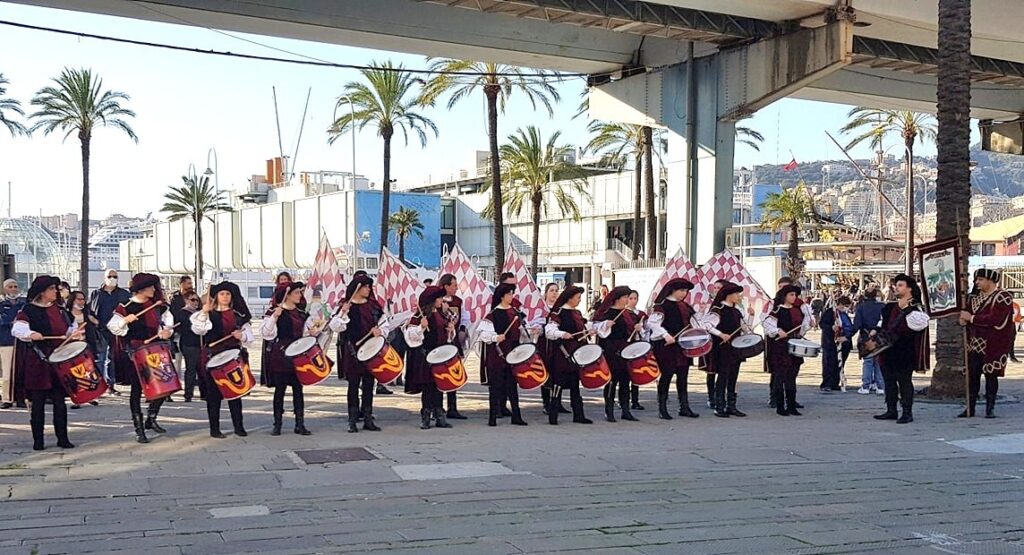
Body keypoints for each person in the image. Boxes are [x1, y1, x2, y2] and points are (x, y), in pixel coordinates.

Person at [13, 276, 83, 450]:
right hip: (38, 361)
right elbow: (17, 328)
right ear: (42, 292)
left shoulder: (60, 311)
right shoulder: (28, 310)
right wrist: (30, 334)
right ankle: (39, 440)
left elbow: (70, 327)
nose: (56, 292)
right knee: (38, 402)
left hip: (58, 361)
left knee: (60, 401)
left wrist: (73, 334)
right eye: (52, 288)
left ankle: (63, 438)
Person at [107, 273, 175, 443]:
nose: (154, 289)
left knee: (164, 386)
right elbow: (112, 326)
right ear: (141, 289)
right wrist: (124, 322)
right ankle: (139, 428)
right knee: (137, 390)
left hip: (156, 349)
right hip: (136, 352)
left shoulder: (158, 306)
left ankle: (151, 419)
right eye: (151, 286)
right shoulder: (125, 307)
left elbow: (167, 324)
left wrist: (167, 332)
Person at [192, 281, 253, 437]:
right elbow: (198, 330)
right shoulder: (208, 314)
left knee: (236, 392)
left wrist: (242, 335)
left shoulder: (239, 316)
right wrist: (204, 313)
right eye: (222, 294)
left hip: (233, 357)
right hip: (212, 357)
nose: (225, 297)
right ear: (216, 297)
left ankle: (239, 426)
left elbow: (249, 338)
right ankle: (214, 429)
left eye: (227, 294)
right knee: (214, 395)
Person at [330, 275, 389, 433]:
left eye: (370, 286)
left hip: (371, 351)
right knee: (353, 385)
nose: (369, 289)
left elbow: (385, 324)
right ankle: (352, 420)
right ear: (358, 287)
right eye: (366, 286)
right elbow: (335, 326)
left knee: (369, 384)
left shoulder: (373, 306)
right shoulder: (346, 305)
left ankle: (368, 418)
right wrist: (343, 313)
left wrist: (380, 331)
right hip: (353, 350)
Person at [869, 274, 929, 424]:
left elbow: (920, 324)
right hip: (888, 350)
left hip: (905, 350)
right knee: (888, 381)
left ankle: (907, 412)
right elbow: (882, 323)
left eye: (900, 285)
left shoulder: (916, 307)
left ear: (909, 288)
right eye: (896, 285)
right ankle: (891, 410)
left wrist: (908, 311)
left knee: (904, 381)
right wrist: (875, 331)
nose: (897, 287)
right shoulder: (890, 307)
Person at [261, 281, 317, 436]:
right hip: (281, 355)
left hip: (299, 355)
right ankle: (277, 424)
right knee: (280, 390)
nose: (300, 295)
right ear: (288, 295)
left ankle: (300, 424)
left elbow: (306, 333)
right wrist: (274, 317)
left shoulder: (301, 314)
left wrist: (311, 332)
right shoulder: (274, 312)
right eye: (297, 292)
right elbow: (266, 334)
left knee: (298, 390)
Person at [959, 269, 1014, 418]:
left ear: (990, 281)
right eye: (976, 280)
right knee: (972, 377)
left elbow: (995, 319)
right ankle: (970, 408)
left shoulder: (1003, 297)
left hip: (992, 344)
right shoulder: (973, 298)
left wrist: (971, 319)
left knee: (991, 376)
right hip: (974, 344)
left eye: (980, 279)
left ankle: (990, 408)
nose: (977, 282)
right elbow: (966, 314)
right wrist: (963, 319)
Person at [477, 282, 528, 427]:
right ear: (502, 296)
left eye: (512, 293)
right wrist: (495, 337)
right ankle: (492, 417)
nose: (512, 296)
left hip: (513, 354)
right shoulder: (493, 315)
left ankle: (516, 416)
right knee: (496, 386)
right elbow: (482, 334)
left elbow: (521, 331)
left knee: (512, 385)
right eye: (509, 294)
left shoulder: (515, 313)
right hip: (498, 356)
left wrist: (527, 332)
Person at [648, 278, 699, 419]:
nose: (684, 293)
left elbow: (694, 322)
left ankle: (684, 407)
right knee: (667, 376)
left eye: (686, 291)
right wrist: (665, 335)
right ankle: (662, 408)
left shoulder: (686, 306)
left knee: (683, 376)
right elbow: (653, 324)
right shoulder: (661, 306)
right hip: (667, 347)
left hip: (683, 346)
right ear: (673, 290)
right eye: (681, 290)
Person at [403, 285, 454, 430]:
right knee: (428, 388)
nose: (441, 300)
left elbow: (446, 336)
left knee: (439, 386)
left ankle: (439, 415)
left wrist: (450, 330)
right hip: (426, 356)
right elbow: (411, 337)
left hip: (440, 356)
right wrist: (421, 328)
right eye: (439, 298)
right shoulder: (419, 317)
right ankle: (425, 416)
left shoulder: (441, 314)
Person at [544, 285, 594, 425]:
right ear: (570, 298)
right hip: (562, 354)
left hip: (577, 354)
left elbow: (583, 328)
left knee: (575, 384)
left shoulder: (577, 313)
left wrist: (589, 332)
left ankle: (579, 414)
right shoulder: (558, 313)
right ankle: (553, 415)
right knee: (558, 384)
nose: (579, 300)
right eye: (578, 298)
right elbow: (549, 330)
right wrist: (562, 334)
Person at [703, 281, 753, 418]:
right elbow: (707, 325)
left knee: (733, 376)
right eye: (736, 293)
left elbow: (745, 328)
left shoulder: (736, 311)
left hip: (736, 348)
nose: (738, 296)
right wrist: (721, 334)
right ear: (728, 295)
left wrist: (751, 317)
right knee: (723, 376)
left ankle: (731, 406)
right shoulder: (718, 310)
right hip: (723, 349)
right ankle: (719, 407)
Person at [764, 284, 811, 416]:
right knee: (780, 376)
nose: (794, 297)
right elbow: (767, 325)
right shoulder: (777, 310)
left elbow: (801, 329)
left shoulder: (797, 311)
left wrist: (807, 326)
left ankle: (791, 405)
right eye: (791, 295)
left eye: (795, 295)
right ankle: (780, 407)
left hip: (794, 345)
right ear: (785, 296)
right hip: (780, 348)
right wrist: (778, 330)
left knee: (792, 376)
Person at [593, 286, 637, 422]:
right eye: (625, 297)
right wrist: (606, 325)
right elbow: (595, 327)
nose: (627, 300)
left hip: (626, 349)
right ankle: (609, 410)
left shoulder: (628, 314)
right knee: (612, 380)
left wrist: (637, 328)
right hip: (611, 350)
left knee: (626, 380)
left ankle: (625, 409)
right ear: (618, 299)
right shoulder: (607, 313)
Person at [89, 269, 130, 394]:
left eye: (115, 276)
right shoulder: (97, 293)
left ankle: (110, 385)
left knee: (111, 358)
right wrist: (94, 321)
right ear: (104, 278)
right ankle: (99, 386)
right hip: (100, 330)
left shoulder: (123, 294)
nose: (112, 278)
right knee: (100, 359)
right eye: (110, 276)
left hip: (117, 330)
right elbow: (90, 310)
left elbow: (129, 309)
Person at [437, 273, 470, 419]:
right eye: (454, 285)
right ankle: (437, 408)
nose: (456, 288)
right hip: (438, 342)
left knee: (453, 373)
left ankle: (452, 407)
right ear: (446, 286)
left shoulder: (458, 301)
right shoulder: (436, 301)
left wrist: (462, 330)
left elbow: (464, 318)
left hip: (453, 341)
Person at [66, 290, 101, 409]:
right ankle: (77, 399)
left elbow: (98, 323)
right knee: (75, 372)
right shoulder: (66, 314)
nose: (81, 302)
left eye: (83, 299)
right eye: (78, 299)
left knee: (89, 371)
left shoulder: (87, 313)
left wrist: (93, 320)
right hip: (72, 346)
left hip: (87, 345)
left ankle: (91, 396)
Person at [537, 282, 568, 416]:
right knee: (546, 372)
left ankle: (557, 401)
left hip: (558, 344)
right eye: (551, 290)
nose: (554, 293)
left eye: (556, 290)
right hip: (545, 344)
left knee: (559, 373)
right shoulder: (541, 309)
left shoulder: (561, 309)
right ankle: (546, 402)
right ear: (546, 293)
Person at [172, 290, 205, 402]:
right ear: (186, 301)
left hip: (199, 344)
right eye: (193, 300)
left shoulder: (199, 312)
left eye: (197, 300)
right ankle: (188, 394)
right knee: (191, 369)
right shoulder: (183, 313)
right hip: (189, 344)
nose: (195, 302)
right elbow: (187, 326)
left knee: (201, 369)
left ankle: (204, 393)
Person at [853, 286, 885, 395]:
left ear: (865, 295)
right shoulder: (882, 306)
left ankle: (866, 386)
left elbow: (857, 324)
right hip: (879, 337)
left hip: (865, 336)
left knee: (867, 361)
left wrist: (848, 335)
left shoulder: (861, 307)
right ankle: (879, 386)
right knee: (878, 362)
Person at [819, 296, 854, 392]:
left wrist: (847, 337)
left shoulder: (844, 315)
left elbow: (850, 327)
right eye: (845, 306)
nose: (846, 308)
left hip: (844, 343)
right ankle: (827, 383)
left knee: (840, 363)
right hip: (830, 342)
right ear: (840, 305)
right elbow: (822, 324)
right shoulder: (830, 312)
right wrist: (831, 327)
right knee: (829, 363)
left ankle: (835, 382)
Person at [0, 279, 26, 409]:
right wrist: (12, 322)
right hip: (6, 341)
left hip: (21, 342)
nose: (14, 289)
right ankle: (7, 398)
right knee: (7, 372)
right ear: (5, 289)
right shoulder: (1, 305)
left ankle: (20, 397)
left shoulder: (23, 304)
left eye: (15, 286)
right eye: (10, 287)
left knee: (21, 371)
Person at [625, 290, 648, 411]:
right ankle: (623, 399)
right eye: (631, 298)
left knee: (636, 372)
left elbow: (646, 331)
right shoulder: (623, 313)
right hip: (627, 345)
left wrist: (641, 329)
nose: (633, 301)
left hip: (638, 344)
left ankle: (635, 400)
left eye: (635, 298)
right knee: (626, 374)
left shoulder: (641, 314)